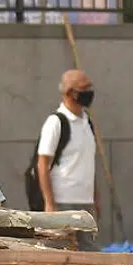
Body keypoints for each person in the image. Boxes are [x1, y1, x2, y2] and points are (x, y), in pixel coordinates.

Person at [36, 70, 98, 216]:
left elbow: (88, 162)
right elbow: (42, 164)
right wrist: (49, 203)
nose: (89, 92)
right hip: (63, 200)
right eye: (84, 88)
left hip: (86, 201)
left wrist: (96, 197)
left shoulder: (87, 122)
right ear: (70, 93)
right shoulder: (55, 122)